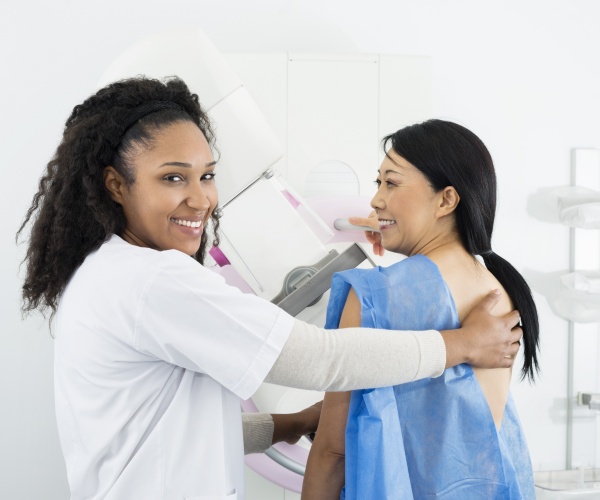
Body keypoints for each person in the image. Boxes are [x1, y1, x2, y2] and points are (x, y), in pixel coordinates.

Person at [17, 77, 522, 500]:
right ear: (115, 184)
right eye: (173, 178)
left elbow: (184, 432)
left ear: (446, 199)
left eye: (208, 175)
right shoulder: (153, 281)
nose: (200, 199)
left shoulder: (111, 272)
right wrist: (465, 345)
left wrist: (295, 422)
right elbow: (321, 359)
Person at [302, 119, 539, 500]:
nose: (376, 200)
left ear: (446, 199)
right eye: (378, 183)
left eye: (391, 183)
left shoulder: (375, 296)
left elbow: (332, 452)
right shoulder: (499, 288)